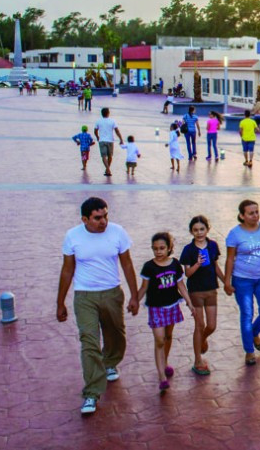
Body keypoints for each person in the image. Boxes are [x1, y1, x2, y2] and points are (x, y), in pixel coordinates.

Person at [56, 197, 139, 415]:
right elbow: (67, 270)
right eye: (97, 218)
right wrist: (60, 302)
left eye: (105, 216)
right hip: (84, 296)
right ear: (85, 219)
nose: (103, 221)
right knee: (89, 341)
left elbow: (127, 263)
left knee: (116, 335)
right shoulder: (72, 236)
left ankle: (110, 361)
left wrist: (134, 295)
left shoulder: (117, 232)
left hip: (112, 293)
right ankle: (92, 393)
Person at [136, 232, 194, 393]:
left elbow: (181, 285)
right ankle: (161, 376)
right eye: (155, 249)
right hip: (156, 308)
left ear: (169, 248)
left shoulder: (175, 264)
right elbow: (144, 287)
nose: (158, 252)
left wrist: (189, 302)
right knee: (159, 340)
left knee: (168, 336)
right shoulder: (149, 267)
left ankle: (165, 361)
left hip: (172, 305)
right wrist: (135, 300)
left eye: (162, 248)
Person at [224, 200, 260, 366]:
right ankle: (249, 351)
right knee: (247, 313)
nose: (255, 216)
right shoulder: (235, 234)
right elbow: (230, 258)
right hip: (242, 280)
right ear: (242, 216)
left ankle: (253, 333)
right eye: (251, 213)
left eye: (257, 212)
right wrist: (227, 281)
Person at [179, 216, 224, 376]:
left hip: (211, 289)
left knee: (211, 325)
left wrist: (225, 281)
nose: (199, 233)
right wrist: (197, 263)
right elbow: (187, 273)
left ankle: (202, 339)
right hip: (196, 291)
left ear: (207, 229)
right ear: (191, 231)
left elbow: (216, 266)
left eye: (202, 229)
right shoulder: (188, 250)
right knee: (199, 325)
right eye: (195, 230)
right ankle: (198, 360)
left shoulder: (212, 246)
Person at [93, 108, 124, 177]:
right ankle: (108, 169)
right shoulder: (112, 121)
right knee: (110, 156)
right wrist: (121, 139)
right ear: (108, 113)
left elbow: (95, 131)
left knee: (103, 156)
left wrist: (98, 137)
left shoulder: (98, 121)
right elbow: (117, 131)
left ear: (101, 113)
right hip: (110, 141)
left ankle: (107, 169)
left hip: (102, 141)